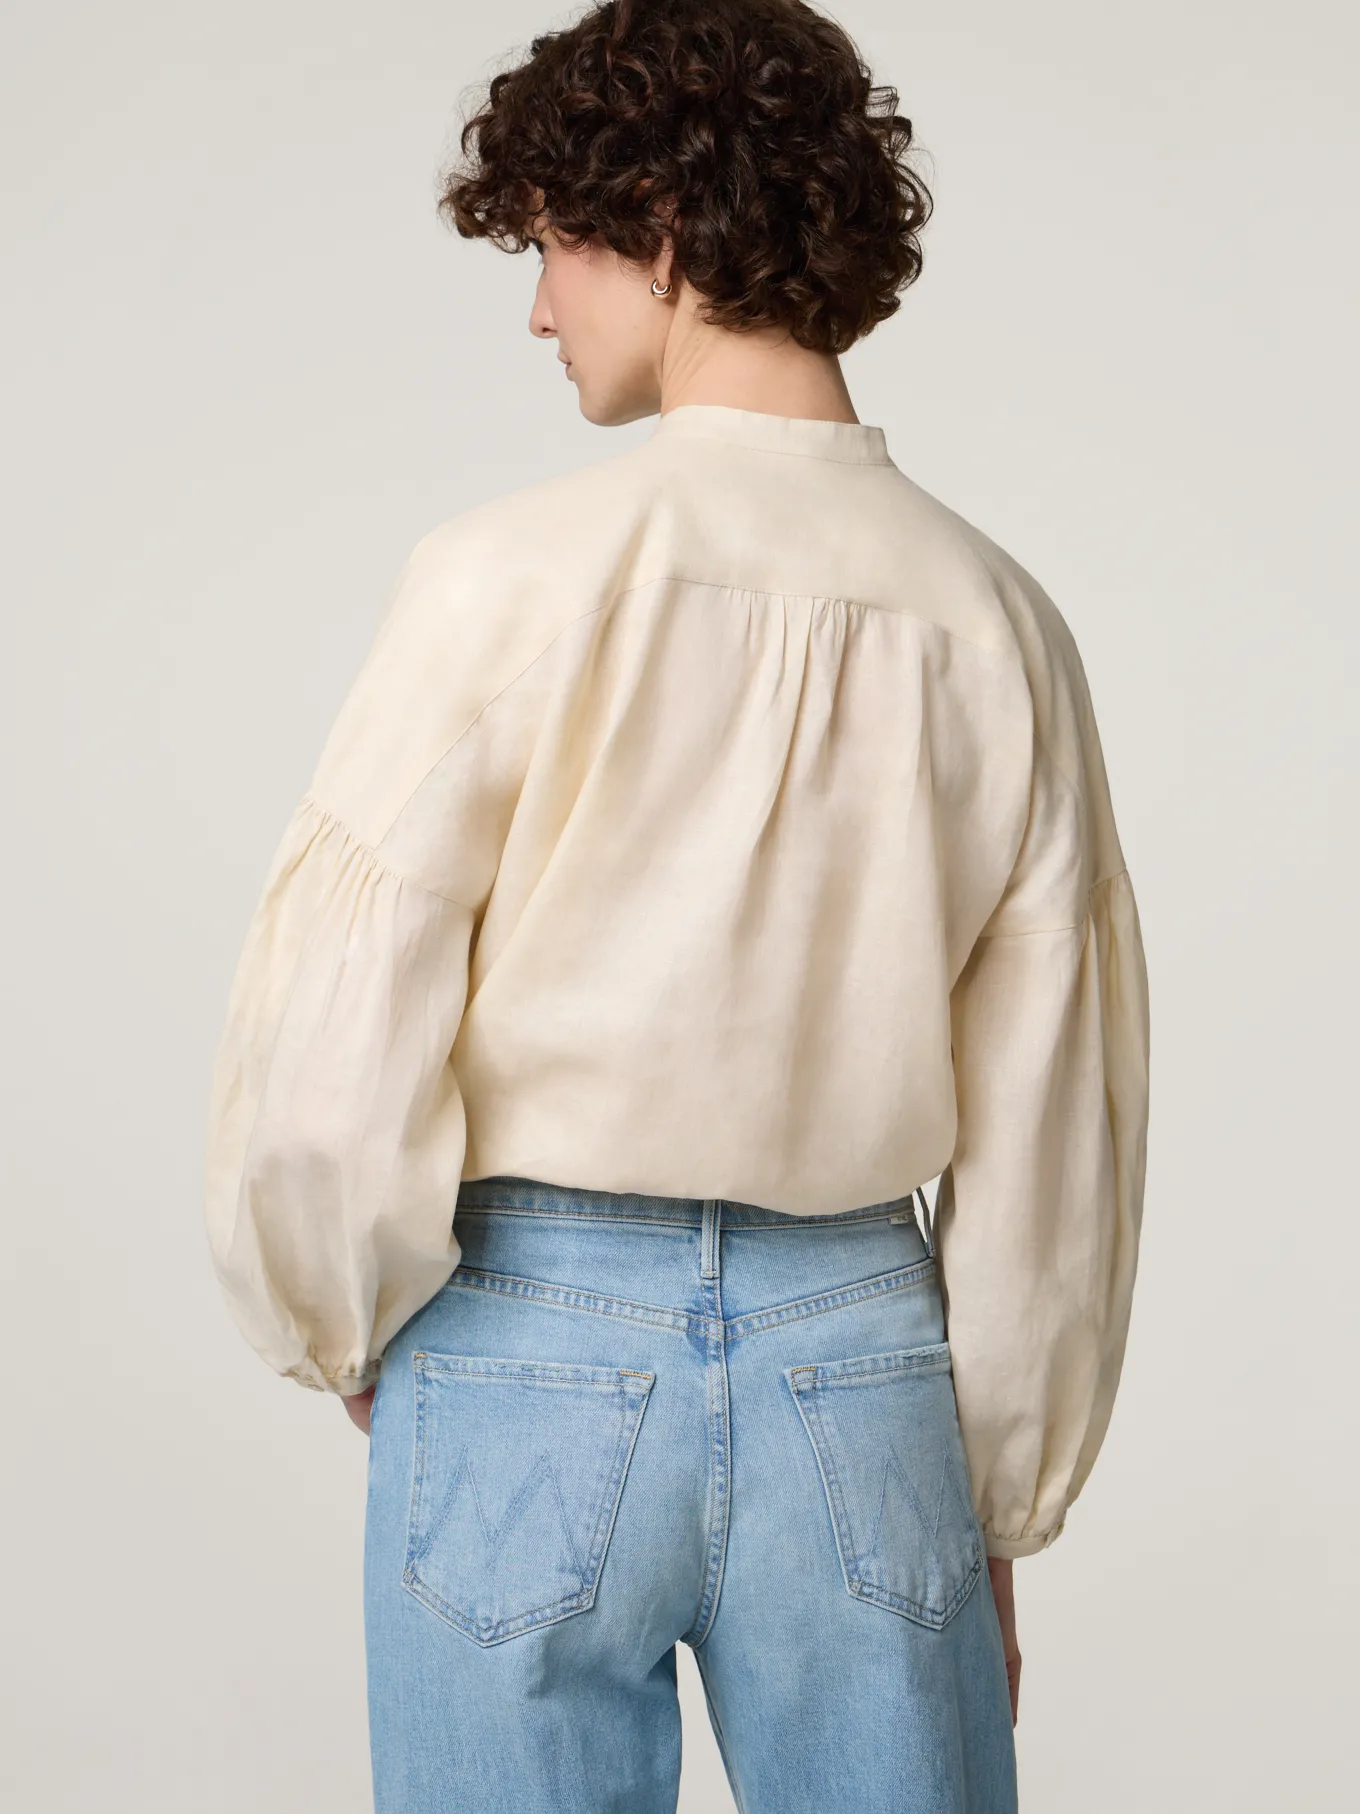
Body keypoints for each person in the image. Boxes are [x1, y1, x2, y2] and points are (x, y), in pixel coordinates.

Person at [202, 2, 1151, 1809]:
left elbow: (343, 1025)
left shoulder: (505, 578)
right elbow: (1050, 1129)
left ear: (657, 226)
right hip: (866, 1367)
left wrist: (350, 1313)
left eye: (554, 246)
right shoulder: (998, 624)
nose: (538, 310)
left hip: (523, 1334)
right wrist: (994, 1492)